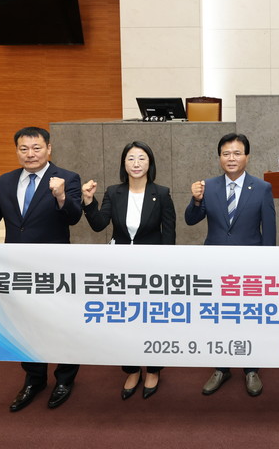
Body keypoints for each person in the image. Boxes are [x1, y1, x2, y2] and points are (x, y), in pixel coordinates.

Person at [0, 126, 83, 412]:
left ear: (49, 149)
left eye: (37, 148)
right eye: (24, 149)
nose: (30, 154)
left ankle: (64, 379)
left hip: (54, 268)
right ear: (17, 151)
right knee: (25, 324)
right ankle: (34, 379)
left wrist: (61, 196)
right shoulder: (6, 181)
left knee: (60, 323)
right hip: (17, 268)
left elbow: (73, 216)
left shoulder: (67, 178)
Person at [82, 141, 176, 401]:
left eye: (142, 158)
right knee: (125, 319)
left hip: (152, 267)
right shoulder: (114, 192)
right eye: (131, 158)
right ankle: (132, 369)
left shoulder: (162, 193)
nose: (136, 163)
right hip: (120, 267)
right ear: (124, 164)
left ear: (150, 163)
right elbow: (99, 224)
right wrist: (88, 202)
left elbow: (169, 235)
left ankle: (153, 369)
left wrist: (166, 269)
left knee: (152, 319)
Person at [184, 133, 275, 397]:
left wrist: (268, 268)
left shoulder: (262, 188)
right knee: (219, 317)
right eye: (226, 153)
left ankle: (251, 369)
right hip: (215, 266)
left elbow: (269, 232)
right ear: (219, 158)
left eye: (237, 153)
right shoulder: (208, 186)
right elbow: (191, 219)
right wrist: (196, 199)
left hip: (251, 267)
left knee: (249, 317)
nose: (231, 158)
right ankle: (221, 368)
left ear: (247, 156)